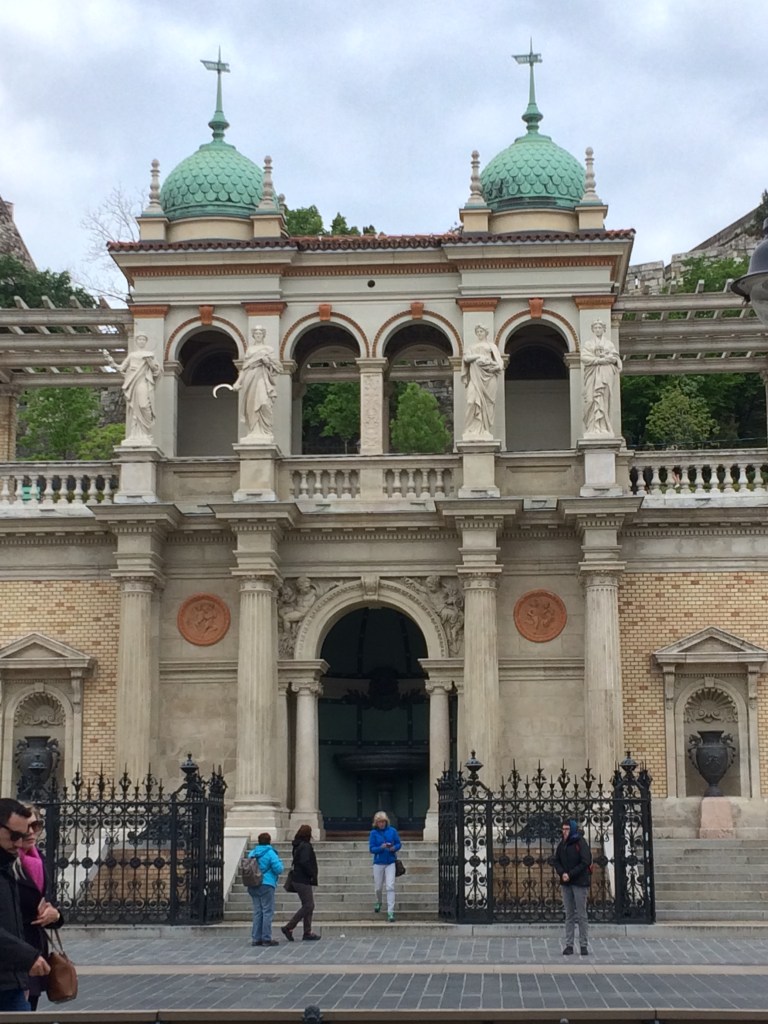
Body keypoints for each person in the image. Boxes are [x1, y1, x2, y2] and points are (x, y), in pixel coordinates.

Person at [0, 798, 50, 1012]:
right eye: (14, 836)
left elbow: (14, 922)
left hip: (12, 981)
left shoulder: (7, 865)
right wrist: (27, 957)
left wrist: (22, 980)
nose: (19, 843)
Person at [14, 805, 62, 1010]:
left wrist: (56, 915)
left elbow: (49, 900)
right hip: (15, 952)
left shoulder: (38, 860)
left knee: (29, 1009)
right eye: (26, 827)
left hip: (36, 947)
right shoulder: (7, 863)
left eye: (36, 825)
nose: (31, 832)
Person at [105, 333, 162, 443]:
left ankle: (146, 433)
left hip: (143, 381)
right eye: (139, 339)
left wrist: (150, 362)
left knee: (144, 405)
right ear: (136, 341)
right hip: (133, 382)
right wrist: (110, 361)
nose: (141, 341)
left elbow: (157, 370)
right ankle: (136, 435)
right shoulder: (132, 355)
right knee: (135, 409)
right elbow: (121, 368)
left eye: (143, 339)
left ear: (146, 341)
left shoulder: (149, 354)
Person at [233, 325, 282, 440]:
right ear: (253, 335)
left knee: (264, 402)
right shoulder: (250, 350)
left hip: (263, 376)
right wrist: (238, 382)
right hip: (251, 377)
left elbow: (278, 367)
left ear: (263, 335)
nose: (258, 335)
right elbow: (245, 368)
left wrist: (267, 362)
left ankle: (265, 431)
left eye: (260, 333)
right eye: (256, 334)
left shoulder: (268, 349)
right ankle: (253, 431)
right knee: (251, 405)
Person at [554, 817, 592, 956]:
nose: (564, 832)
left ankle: (583, 945)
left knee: (581, 915)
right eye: (563, 829)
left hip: (579, 883)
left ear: (573, 829)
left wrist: (570, 874)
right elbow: (556, 860)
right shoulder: (562, 844)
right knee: (569, 914)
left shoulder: (580, 842)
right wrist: (562, 873)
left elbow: (585, 861)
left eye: (567, 829)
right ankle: (569, 944)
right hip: (566, 882)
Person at [461, 324, 504, 440]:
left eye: (481, 331)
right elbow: (466, 359)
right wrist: (479, 356)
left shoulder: (492, 346)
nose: (479, 333)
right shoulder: (471, 347)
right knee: (471, 401)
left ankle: (485, 430)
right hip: (475, 376)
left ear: (486, 332)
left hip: (489, 377)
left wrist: (494, 367)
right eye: (478, 331)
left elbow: (500, 363)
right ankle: (470, 429)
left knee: (488, 404)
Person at [581, 318, 622, 437]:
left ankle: (603, 427)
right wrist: (599, 360)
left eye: (599, 328)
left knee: (604, 400)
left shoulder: (609, 344)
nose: (597, 330)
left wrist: (607, 358)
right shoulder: (588, 344)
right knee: (590, 399)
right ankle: (593, 427)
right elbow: (584, 357)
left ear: (603, 329)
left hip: (605, 375)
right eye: (595, 328)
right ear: (593, 330)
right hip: (592, 375)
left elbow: (615, 359)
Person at [281, 824, 320, 942]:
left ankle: (307, 931)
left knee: (308, 905)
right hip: (302, 879)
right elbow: (305, 862)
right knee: (309, 905)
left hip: (298, 878)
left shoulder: (297, 845)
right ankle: (289, 926)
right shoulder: (306, 846)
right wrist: (311, 874)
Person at [246, 832, 283, 947]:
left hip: (252, 884)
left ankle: (256, 938)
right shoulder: (270, 853)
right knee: (267, 911)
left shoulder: (252, 853)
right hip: (267, 883)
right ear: (269, 841)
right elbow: (278, 869)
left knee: (257, 912)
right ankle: (266, 938)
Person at [369, 810, 401, 923]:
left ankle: (390, 911)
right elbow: (371, 849)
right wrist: (381, 847)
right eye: (379, 822)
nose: (381, 824)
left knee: (390, 886)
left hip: (390, 861)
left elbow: (398, 843)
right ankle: (378, 901)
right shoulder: (373, 833)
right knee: (378, 887)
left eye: (383, 822)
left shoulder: (392, 831)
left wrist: (394, 848)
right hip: (378, 862)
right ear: (376, 823)